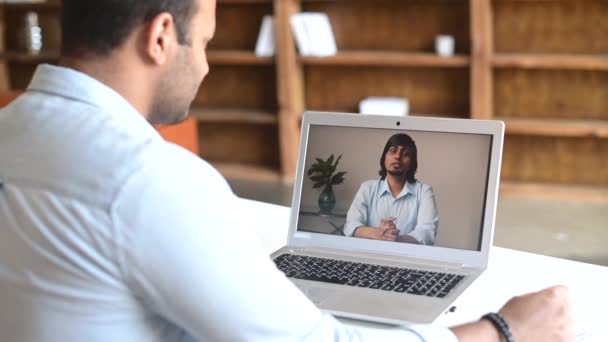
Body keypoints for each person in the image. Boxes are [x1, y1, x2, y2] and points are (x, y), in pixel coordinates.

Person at [0, 0, 574, 341]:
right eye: (204, 43)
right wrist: (504, 330)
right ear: (160, 36)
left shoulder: (13, 129)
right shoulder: (148, 179)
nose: (203, 65)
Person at [344, 133, 438, 245]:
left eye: (405, 154)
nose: (397, 156)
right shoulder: (367, 188)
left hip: (407, 258)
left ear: (411, 163)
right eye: (393, 150)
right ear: (384, 157)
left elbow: (426, 232)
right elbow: (351, 225)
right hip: (369, 255)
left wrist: (396, 239)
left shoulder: (424, 191)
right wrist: (377, 233)